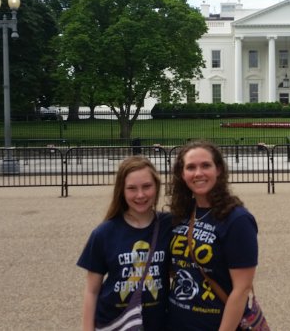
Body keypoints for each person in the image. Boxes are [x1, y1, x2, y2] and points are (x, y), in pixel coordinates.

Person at [167, 140, 259, 330]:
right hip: (176, 321)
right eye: (191, 167)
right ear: (182, 175)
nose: (198, 173)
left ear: (218, 170)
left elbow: (241, 289)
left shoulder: (237, 219)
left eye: (205, 165)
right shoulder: (182, 213)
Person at [77, 156, 172, 331]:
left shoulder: (169, 225)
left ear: (156, 187)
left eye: (147, 186)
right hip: (116, 321)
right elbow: (91, 290)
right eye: (132, 188)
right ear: (121, 190)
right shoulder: (104, 233)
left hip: (157, 322)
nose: (140, 195)